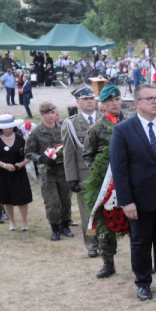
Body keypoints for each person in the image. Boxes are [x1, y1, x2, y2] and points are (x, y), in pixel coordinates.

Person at [109, 84, 156, 301]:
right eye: (149, 98)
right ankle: (143, 282)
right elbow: (119, 169)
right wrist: (126, 201)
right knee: (140, 241)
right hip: (139, 198)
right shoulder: (123, 130)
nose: (155, 101)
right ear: (137, 103)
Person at [82, 85, 125, 279]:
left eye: (117, 100)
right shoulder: (96, 129)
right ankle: (108, 263)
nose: (114, 104)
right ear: (103, 104)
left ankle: (142, 262)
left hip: (130, 183)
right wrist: (100, 174)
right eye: (110, 101)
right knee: (107, 226)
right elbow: (88, 155)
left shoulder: (132, 123)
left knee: (136, 225)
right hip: (107, 187)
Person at [25, 102, 75, 241]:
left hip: (64, 171)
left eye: (53, 113)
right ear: (42, 115)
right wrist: (41, 158)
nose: (51, 116)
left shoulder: (63, 129)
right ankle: (55, 228)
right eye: (47, 113)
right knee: (52, 203)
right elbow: (28, 152)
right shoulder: (36, 132)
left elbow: (71, 147)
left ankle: (65, 225)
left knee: (66, 201)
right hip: (47, 173)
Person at [62, 87, 100, 258]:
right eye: (85, 99)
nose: (89, 101)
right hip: (84, 176)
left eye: (91, 98)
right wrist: (71, 178)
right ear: (77, 103)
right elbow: (69, 153)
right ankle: (92, 244)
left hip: (105, 174)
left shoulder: (104, 119)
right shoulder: (71, 123)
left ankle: (107, 241)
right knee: (87, 214)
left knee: (107, 210)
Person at [0, 114, 32, 231]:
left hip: (18, 173)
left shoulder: (20, 139)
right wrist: (5, 166)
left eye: (10, 127)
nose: (8, 130)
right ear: (0, 128)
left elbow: (28, 155)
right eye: (5, 128)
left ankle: (24, 222)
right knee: (7, 198)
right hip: (2, 174)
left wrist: (21, 164)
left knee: (22, 198)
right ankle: (12, 222)